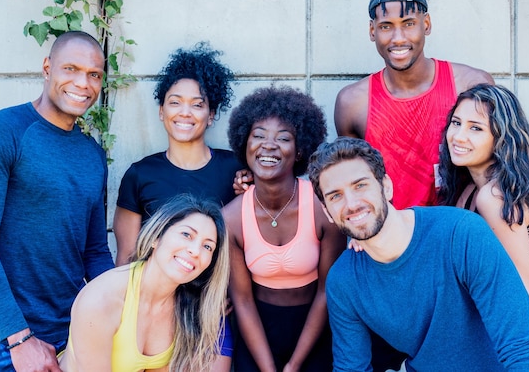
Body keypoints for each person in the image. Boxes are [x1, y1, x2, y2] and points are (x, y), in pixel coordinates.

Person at [307, 137, 529, 371]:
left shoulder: (461, 233)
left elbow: (524, 348)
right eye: (335, 196)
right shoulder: (344, 280)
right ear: (328, 213)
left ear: (386, 186)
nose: (351, 203)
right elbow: (351, 367)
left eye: (360, 185)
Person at [0, 31, 114, 371]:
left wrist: (125, 310)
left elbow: (94, 252)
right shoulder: (3, 131)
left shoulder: (92, 156)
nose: (82, 83)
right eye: (70, 68)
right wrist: (20, 338)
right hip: (12, 343)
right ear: (47, 68)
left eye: (94, 74)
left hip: (77, 334)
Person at [438, 83, 529, 371]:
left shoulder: (494, 196)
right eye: (456, 123)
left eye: (475, 128)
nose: (458, 135)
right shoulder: (468, 190)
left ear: (501, 138)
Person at [113, 42, 241, 370]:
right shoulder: (140, 174)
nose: (185, 112)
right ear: (161, 111)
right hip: (155, 314)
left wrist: (229, 292)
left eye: (197, 105)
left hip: (214, 315)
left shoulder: (235, 170)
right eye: (175, 102)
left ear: (211, 114)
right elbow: (126, 257)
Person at [334, 0, 494, 209]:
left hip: (459, 234)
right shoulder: (352, 102)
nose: (398, 39)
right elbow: (349, 179)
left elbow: (501, 166)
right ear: (372, 31)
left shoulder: (470, 84)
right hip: (390, 239)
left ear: (426, 24)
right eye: (386, 26)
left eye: (409, 23)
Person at [223, 85, 346, 371]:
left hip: (317, 326)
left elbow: (328, 291)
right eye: (258, 136)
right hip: (257, 331)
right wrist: (268, 368)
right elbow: (241, 300)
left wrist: (293, 366)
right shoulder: (230, 218)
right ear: (245, 143)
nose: (268, 145)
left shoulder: (320, 206)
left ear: (300, 148)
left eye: (283, 138)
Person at [59, 194, 230, 372]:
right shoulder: (101, 299)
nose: (195, 251)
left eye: (207, 246)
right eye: (186, 234)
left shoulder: (186, 305)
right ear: (157, 237)